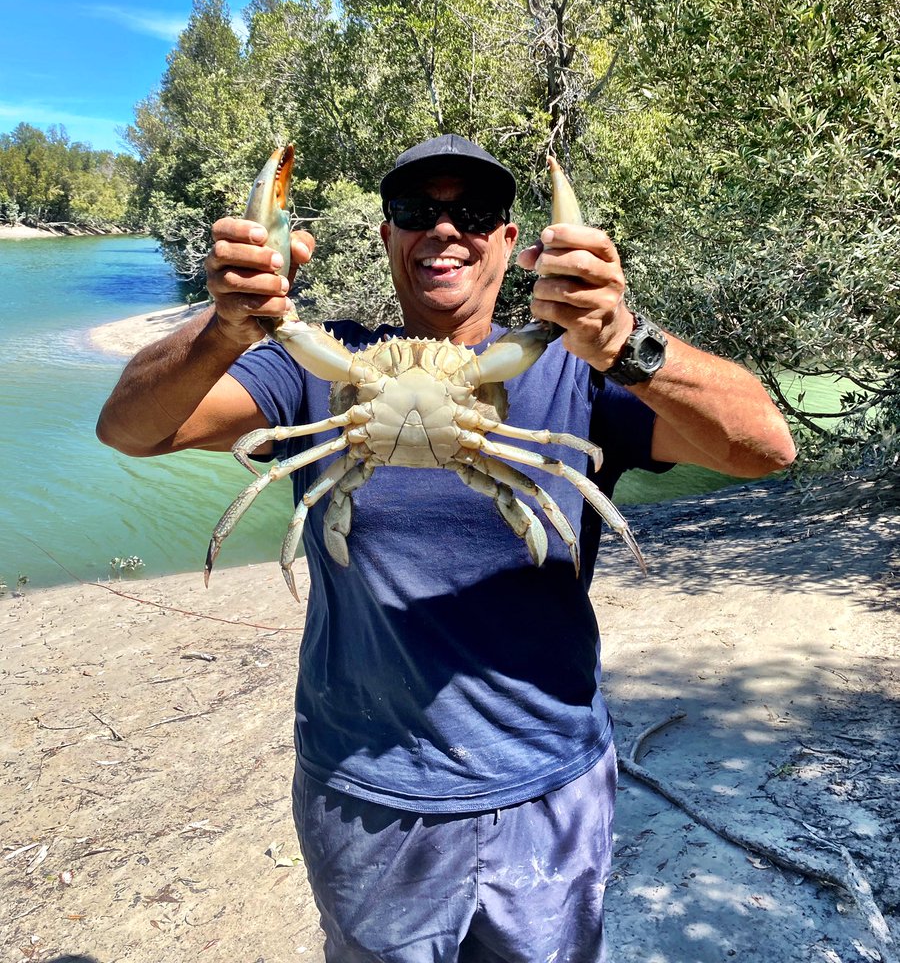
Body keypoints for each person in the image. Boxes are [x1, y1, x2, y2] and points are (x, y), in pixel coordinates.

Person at [97, 133, 795, 962]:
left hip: (549, 783)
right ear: (387, 237)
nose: (444, 229)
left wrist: (625, 341)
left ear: (511, 240)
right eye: (415, 211)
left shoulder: (573, 370)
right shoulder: (323, 367)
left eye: (475, 212)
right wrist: (227, 325)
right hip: (367, 793)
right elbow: (132, 430)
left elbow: (764, 448)